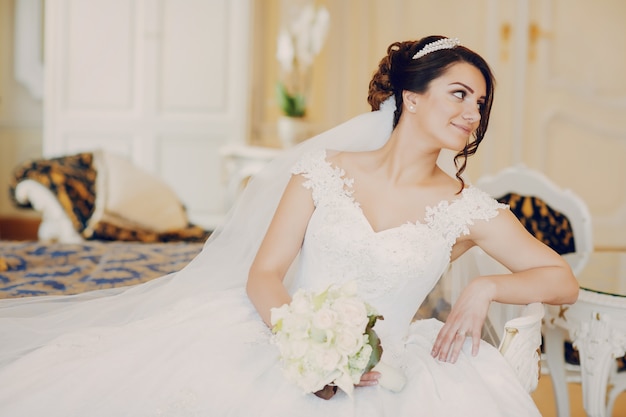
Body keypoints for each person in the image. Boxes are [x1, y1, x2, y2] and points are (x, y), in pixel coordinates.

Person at [0, 35, 578, 416]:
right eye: (459, 94)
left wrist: (485, 288)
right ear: (411, 97)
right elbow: (266, 274)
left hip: (390, 373)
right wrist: (306, 351)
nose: (473, 113)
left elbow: (560, 278)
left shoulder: (466, 208)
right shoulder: (323, 172)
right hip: (277, 338)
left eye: (481, 103)